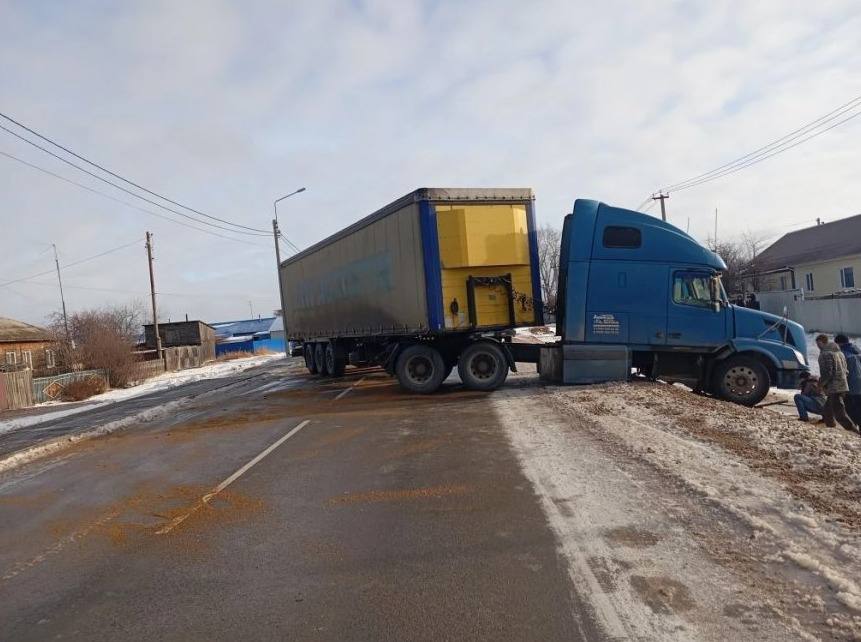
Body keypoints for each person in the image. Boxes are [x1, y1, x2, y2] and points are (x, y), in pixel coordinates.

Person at [815, 334, 859, 433]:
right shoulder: (840, 353)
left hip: (834, 387)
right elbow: (846, 371)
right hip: (843, 386)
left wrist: (820, 385)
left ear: (822, 342)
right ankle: (831, 429)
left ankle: (854, 431)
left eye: (818, 344)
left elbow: (827, 373)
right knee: (827, 410)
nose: (817, 346)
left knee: (840, 414)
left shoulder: (825, 354)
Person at [835, 334, 861, 425]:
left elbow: (842, 373)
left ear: (839, 343)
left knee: (850, 409)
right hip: (859, 384)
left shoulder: (842, 354)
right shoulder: (857, 351)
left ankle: (854, 428)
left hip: (851, 386)